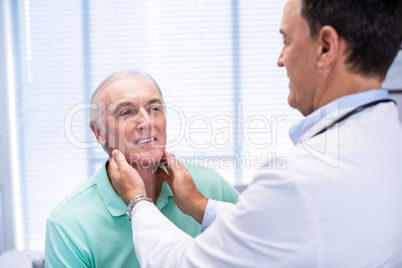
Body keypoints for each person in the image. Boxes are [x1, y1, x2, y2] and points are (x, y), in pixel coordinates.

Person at [109, 0, 402, 267]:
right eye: (126, 112)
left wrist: (137, 200)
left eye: (286, 41)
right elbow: (290, 227)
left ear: (325, 47)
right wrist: (200, 206)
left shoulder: (298, 179)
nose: (280, 59)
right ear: (98, 132)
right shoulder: (387, 137)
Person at [44, 69, 239, 267]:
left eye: (154, 108)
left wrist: (198, 204)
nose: (147, 122)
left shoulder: (212, 187)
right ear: (98, 132)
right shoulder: (68, 223)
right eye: (126, 112)